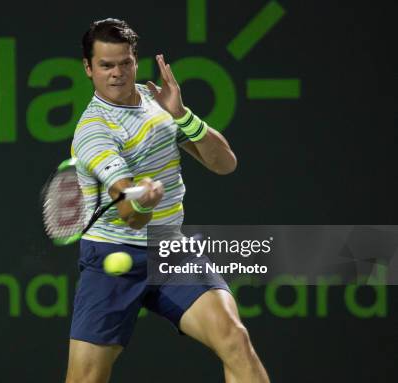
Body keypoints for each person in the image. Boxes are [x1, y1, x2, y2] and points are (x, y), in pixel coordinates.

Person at [67, 18, 270, 383]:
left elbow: (225, 163)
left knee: (235, 340)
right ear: (88, 68)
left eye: (125, 63)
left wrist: (182, 115)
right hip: (112, 258)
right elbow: (130, 214)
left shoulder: (155, 102)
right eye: (106, 65)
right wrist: (144, 200)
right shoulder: (94, 132)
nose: (117, 74)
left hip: (170, 250)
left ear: (135, 60)